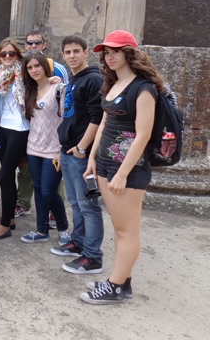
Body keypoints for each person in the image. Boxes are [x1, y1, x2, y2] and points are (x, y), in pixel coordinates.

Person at [80, 30, 160, 304]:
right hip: (105, 164)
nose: (110, 56)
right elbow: (104, 123)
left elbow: (143, 135)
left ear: (129, 53)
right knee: (119, 228)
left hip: (128, 169)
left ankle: (114, 287)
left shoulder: (144, 88)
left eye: (115, 51)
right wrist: (92, 157)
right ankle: (122, 281)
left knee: (127, 231)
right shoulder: (113, 83)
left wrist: (123, 173)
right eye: (106, 52)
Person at [52, 35, 105, 275]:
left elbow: (97, 117)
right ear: (63, 55)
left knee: (88, 206)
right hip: (68, 150)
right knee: (75, 202)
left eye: (76, 51)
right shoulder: (73, 79)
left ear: (86, 52)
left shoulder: (93, 79)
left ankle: (93, 257)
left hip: (81, 153)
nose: (72, 55)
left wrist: (82, 148)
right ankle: (79, 242)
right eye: (68, 52)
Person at [15, 29, 70, 217]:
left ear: (44, 44)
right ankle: (24, 203)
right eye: (30, 43)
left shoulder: (59, 69)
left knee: (52, 180)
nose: (33, 46)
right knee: (26, 172)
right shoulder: (23, 70)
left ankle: (55, 212)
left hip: (52, 138)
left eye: (37, 42)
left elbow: (65, 104)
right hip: (31, 133)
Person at [0, 38, 29, 241]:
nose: (7, 57)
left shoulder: (24, 72)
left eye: (11, 53)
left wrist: (55, 81)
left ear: (17, 55)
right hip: (4, 126)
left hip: (20, 127)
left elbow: (41, 82)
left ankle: (5, 225)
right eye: (4, 53)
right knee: (8, 175)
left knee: (3, 176)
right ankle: (9, 218)